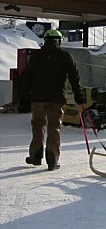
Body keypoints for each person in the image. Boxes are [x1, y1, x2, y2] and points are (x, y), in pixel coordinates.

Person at [23, 29, 85, 171]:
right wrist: (79, 98)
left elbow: (27, 77)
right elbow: (74, 78)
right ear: (59, 41)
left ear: (45, 40)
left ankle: (35, 156)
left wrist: (24, 98)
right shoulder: (64, 56)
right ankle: (52, 159)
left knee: (38, 125)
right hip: (57, 98)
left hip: (38, 98)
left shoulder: (36, 56)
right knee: (54, 126)